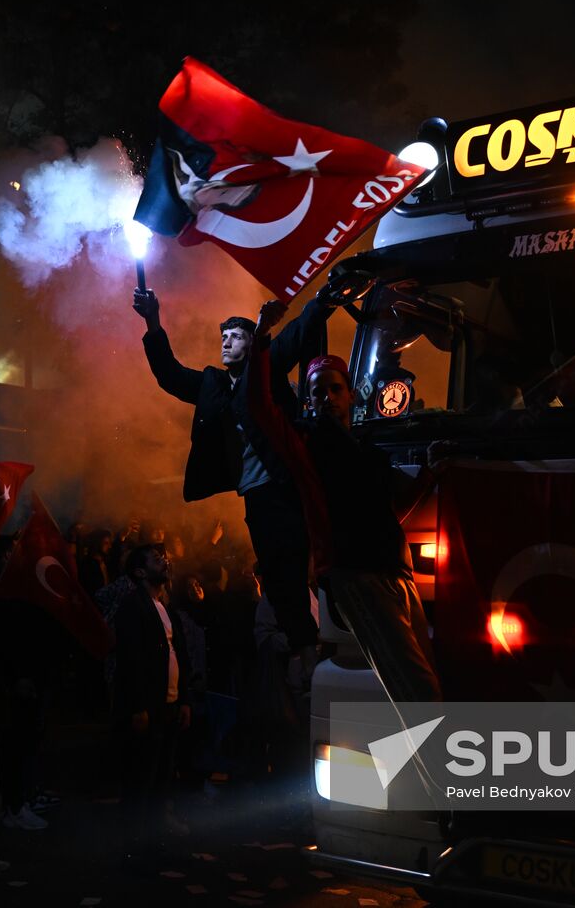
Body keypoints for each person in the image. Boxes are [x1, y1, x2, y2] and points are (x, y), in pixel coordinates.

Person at [247, 300, 442, 708]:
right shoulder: (305, 443)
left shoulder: (366, 450)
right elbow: (260, 407)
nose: (329, 397)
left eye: (337, 388)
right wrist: (263, 338)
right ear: (309, 401)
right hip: (357, 577)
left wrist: (430, 474)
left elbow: (392, 509)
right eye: (319, 391)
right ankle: (443, 771)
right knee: (417, 694)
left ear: (351, 395)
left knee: (427, 678)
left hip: (396, 570)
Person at [133, 284, 334, 671]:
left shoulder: (267, 366)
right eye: (223, 337)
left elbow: (293, 337)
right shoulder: (212, 384)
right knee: (276, 576)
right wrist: (152, 321)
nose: (226, 343)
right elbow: (169, 375)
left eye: (236, 337)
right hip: (257, 494)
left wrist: (323, 299)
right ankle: (307, 653)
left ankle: (328, 642)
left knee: (306, 561)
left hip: (289, 483)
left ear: (252, 342)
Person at [112, 544, 192, 870]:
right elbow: (131, 660)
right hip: (151, 707)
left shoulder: (163, 607)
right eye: (157, 559)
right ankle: (134, 849)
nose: (166, 561)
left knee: (160, 780)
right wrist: (138, 706)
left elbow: (179, 655)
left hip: (169, 705)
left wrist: (183, 698)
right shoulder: (133, 606)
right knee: (141, 781)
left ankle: (155, 845)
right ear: (140, 572)